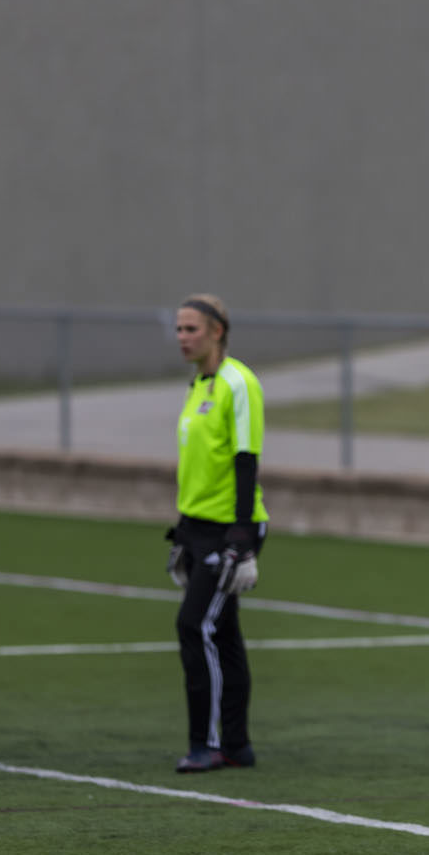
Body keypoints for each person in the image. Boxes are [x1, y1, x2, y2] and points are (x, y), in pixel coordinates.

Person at [165, 293, 268, 774]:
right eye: (180, 329)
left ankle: (205, 745)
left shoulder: (237, 383)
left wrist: (242, 537)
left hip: (231, 528)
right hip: (200, 529)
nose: (183, 338)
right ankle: (237, 745)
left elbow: (246, 461)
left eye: (192, 329)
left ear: (217, 331)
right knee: (223, 633)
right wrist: (184, 532)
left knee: (195, 625)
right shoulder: (198, 385)